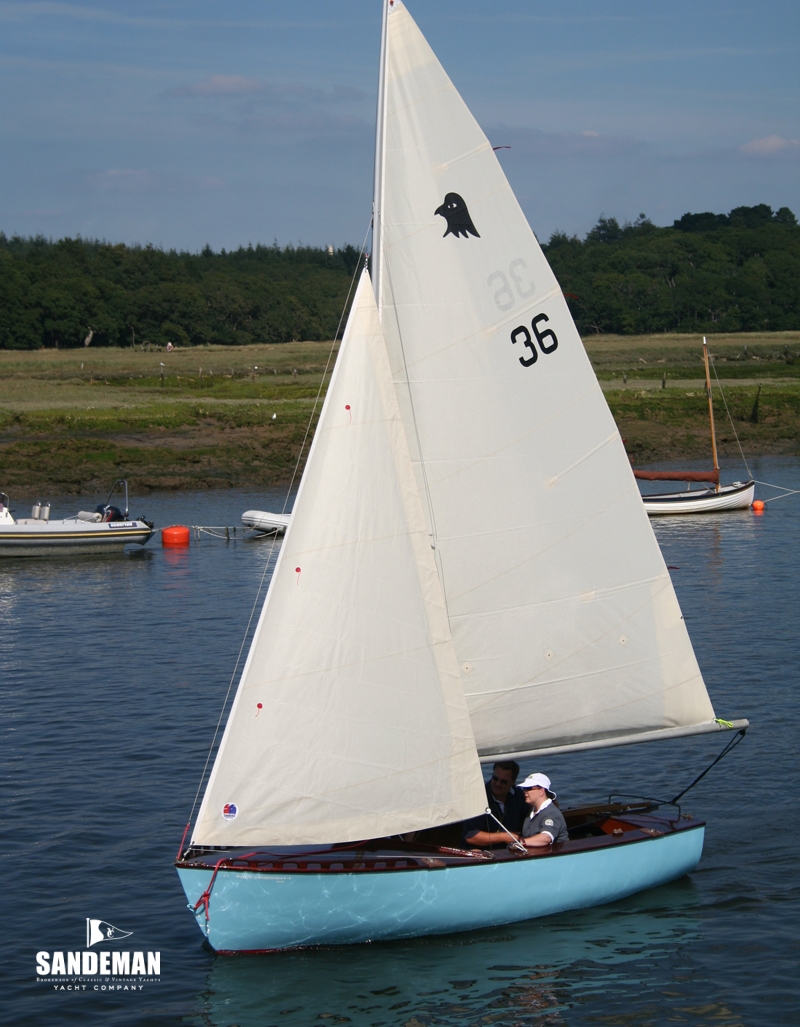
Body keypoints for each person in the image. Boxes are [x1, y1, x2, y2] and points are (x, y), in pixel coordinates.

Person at [462, 761, 527, 848]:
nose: (497, 784)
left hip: (510, 851)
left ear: (512, 782)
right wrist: (504, 837)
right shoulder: (478, 797)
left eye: (503, 781)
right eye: (495, 778)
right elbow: (471, 836)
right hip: (481, 853)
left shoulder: (518, 795)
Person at [519, 773, 569, 847]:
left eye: (529, 788)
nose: (525, 791)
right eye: (524, 789)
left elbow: (546, 838)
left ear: (541, 791)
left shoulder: (552, 813)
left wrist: (522, 843)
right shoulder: (531, 812)